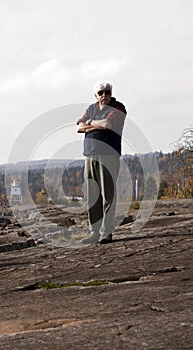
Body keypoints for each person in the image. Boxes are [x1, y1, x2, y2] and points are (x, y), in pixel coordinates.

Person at [77, 81, 127, 244]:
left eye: (107, 92)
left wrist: (91, 123)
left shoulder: (118, 107)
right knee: (92, 195)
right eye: (101, 93)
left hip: (108, 155)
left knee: (107, 195)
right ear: (95, 95)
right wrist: (94, 125)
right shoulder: (91, 108)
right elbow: (79, 126)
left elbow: (108, 124)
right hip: (90, 156)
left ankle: (106, 233)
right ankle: (94, 232)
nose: (104, 95)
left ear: (111, 93)